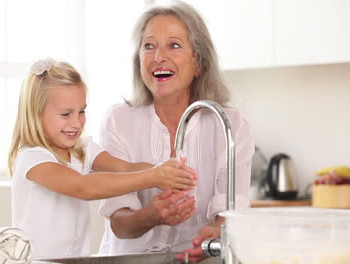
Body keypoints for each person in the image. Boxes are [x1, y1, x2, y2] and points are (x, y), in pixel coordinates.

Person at [97, 2, 254, 262]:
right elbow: (120, 224)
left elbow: (229, 213)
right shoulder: (118, 121)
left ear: (199, 63)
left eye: (174, 45)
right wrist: (151, 215)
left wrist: (213, 233)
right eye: (149, 46)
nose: (158, 56)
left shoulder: (231, 125)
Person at [8, 58, 197, 259]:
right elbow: (84, 187)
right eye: (65, 114)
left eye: (81, 111)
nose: (76, 122)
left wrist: (166, 171)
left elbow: (125, 168)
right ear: (35, 115)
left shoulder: (83, 150)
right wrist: (154, 176)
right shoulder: (32, 158)